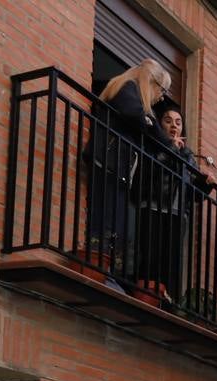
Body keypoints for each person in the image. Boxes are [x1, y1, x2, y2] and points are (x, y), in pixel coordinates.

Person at [86, 59, 174, 286]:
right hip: (109, 165)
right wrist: (158, 132)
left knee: (117, 222)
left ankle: (108, 273)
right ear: (151, 81)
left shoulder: (127, 91)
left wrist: (162, 140)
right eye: (162, 90)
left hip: (115, 168)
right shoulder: (128, 88)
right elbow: (138, 117)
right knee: (107, 220)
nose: (162, 97)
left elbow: (150, 134)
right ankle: (100, 271)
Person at [136, 100, 206, 303]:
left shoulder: (188, 156)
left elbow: (195, 195)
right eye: (168, 121)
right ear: (160, 124)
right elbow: (147, 173)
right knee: (150, 255)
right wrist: (170, 150)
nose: (174, 125)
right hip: (153, 206)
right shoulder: (152, 144)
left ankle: (164, 296)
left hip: (178, 214)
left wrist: (206, 184)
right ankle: (145, 293)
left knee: (171, 260)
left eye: (178, 122)